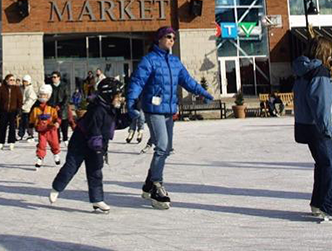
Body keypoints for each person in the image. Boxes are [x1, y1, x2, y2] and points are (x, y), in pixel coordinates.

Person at [126, 26, 213, 210]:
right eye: (168, 37)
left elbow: (187, 81)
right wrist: (132, 101)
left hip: (169, 110)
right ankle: (157, 184)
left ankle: (149, 184)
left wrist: (203, 92)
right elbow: (138, 81)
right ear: (159, 39)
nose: (172, 40)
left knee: (166, 149)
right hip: (153, 110)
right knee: (162, 145)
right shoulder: (149, 60)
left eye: (173, 37)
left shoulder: (175, 62)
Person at [49, 78, 130, 214]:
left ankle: (97, 200)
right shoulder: (98, 110)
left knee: (95, 172)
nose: (120, 98)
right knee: (71, 167)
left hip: (96, 144)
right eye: (117, 95)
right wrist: (98, 151)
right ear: (108, 95)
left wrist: (130, 117)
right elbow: (94, 131)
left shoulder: (109, 108)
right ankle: (56, 188)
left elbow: (114, 124)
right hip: (80, 143)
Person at [292, 37, 332, 221]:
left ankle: (318, 202)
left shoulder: (304, 70)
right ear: (324, 52)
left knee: (322, 163)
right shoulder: (319, 71)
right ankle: (331, 206)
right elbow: (321, 101)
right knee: (329, 165)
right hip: (318, 125)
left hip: (306, 124)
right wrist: (327, 126)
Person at [29, 85, 61, 169]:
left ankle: (56, 154)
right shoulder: (36, 107)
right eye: (41, 95)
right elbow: (32, 116)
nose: (42, 97)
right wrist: (31, 124)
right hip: (41, 130)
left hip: (51, 129)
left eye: (45, 95)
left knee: (54, 143)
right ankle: (40, 157)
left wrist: (57, 122)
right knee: (41, 145)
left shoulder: (52, 107)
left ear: (48, 96)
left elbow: (57, 116)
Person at [0, 74, 23, 151]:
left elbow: (20, 100)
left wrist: (19, 109)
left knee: (12, 127)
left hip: (13, 110)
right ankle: (1, 142)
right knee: (2, 126)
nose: (12, 81)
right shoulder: (1, 88)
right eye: (11, 80)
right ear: (6, 80)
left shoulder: (16, 89)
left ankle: (11, 142)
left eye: (13, 80)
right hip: (3, 110)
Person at [49, 71, 70, 146]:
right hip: (54, 108)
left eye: (54, 77)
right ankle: (57, 139)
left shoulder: (64, 86)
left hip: (63, 108)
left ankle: (65, 138)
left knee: (64, 124)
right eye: (52, 77)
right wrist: (53, 106)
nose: (53, 79)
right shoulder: (50, 86)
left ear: (59, 77)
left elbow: (67, 97)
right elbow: (49, 98)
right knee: (55, 125)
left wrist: (61, 106)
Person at [19, 75, 37, 142]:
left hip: (28, 109)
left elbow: (31, 99)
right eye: (23, 81)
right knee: (22, 123)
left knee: (28, 123)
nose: (24, 83)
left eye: (25, 81)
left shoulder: (30, 89)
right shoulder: (22, 88)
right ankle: (20, 134)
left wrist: (24, 107)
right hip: (23, 109)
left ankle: (30, 135)